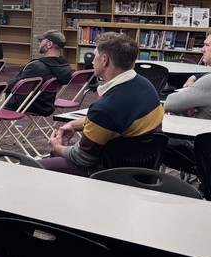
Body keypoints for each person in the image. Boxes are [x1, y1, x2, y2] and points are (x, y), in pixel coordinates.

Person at [40, 32, 164, 176]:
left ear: (104, 60)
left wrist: (58, 146)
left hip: (108, 171)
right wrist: (73, 125)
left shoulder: (105, 108)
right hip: (141, 167)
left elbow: (83, 158)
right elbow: (114, 121)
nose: (93, 61)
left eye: (95, 56)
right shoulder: (146, 86)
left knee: (32, 167)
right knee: (58, 157)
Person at [162, 35, 211, 174]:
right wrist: (195, 77)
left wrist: (190, 98)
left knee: (154, 140)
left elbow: (171, 103)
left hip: (202, 152)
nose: (202, 49)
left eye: (207, 45)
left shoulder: (209, 83)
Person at [1, 30, 72, 116]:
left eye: (41, 41)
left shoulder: (36, 67)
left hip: (25, 104)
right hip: (47, 104)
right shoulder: (65, 67)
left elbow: (14, 86)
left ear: (49, 44)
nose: (39, 42)